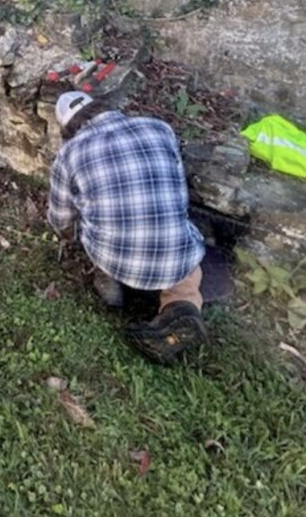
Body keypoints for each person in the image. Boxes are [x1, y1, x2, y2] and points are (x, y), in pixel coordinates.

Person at [47, 90, 207, 365]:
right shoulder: (159, 128)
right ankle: (181, 309)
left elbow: (60, 218)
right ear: (101, 107)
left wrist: (71, 234)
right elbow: (178, 186)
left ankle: (110, 286)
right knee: (188, 273)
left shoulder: (69, 153)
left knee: (92, 221)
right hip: (174, 254)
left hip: (115, 257)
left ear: (68, 127)